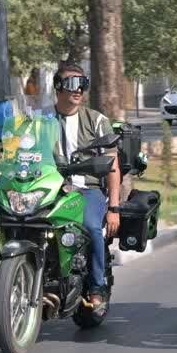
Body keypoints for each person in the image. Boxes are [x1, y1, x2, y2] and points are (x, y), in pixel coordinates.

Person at [51, 62, 122, 311]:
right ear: (58, 86)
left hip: (87, 189)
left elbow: (112, 165)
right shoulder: (41, 119)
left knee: (91, 227)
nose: (79, 89)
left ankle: (97, 286)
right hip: (50, 189)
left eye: (83, 84)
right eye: (73, 83)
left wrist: (114, 208)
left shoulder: (97, 120)